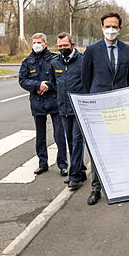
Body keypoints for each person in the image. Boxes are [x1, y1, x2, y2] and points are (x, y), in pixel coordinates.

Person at [81, 12, 129, 205]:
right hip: (97, 108)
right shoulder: (92, 50)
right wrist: (95, 101)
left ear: (120, 29)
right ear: (102, 27)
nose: (111, 30)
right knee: (97, 149)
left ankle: (118, 186)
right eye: (107, 26)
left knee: (118, 148)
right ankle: (96, 188)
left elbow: (128, 78)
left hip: (118, 109)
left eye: (114, 26)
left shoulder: (128, 50)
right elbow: (85, 80)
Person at [18, 33, 67, 176]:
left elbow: (61, 77)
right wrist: (37, 84)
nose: (36, 44)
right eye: (34, 42)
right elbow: (22, 80)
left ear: (45, 44)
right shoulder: (28, 61)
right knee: (40, 136)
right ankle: (42, 163)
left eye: (39, 42)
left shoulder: (54, 59)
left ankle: (62, 164)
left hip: (54, 101)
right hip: (37, 103)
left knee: (59, 134)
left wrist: (48, 86)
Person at [49, 32, 87, 190]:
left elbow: (88, 81)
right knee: (70, 141)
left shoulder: (83, 60)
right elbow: (53, 82)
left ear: (72, 45)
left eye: (65, 46)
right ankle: (81, 170)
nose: (62, 49)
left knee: (78, 141)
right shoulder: (55, 62)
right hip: (63, 108)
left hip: (79, 108)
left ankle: (74, 176)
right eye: (60, 47)